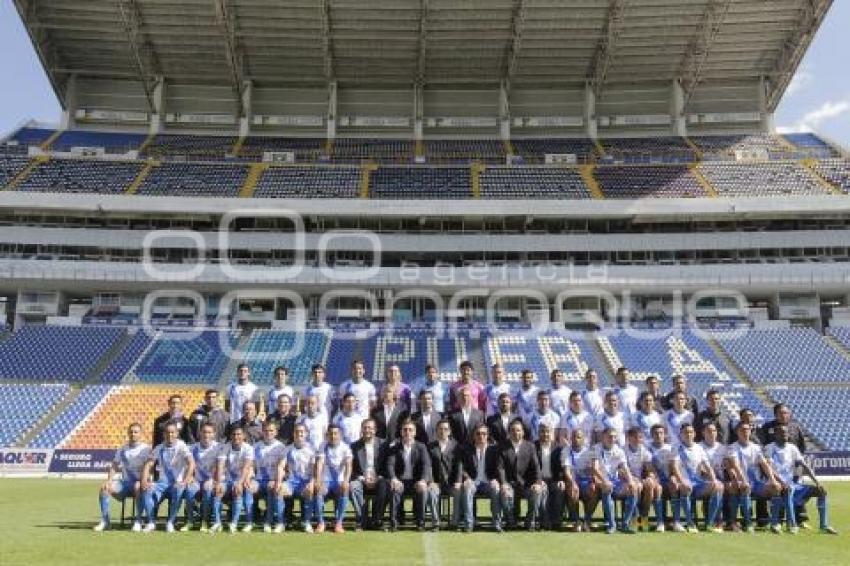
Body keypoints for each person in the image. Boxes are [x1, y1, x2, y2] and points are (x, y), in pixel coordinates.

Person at [764, 424, 837, 535]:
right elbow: (768, 468)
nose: (785, 434)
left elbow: (804, 465)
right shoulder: (770, 448)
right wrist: (782, 482)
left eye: (786, 432)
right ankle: (792, 525)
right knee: (788, 490)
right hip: (775, 483)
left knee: (821, 491)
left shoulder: (792, 447)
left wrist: (817, 482)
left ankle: (824, 525)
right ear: (775, 434)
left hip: (792, 483)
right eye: (782, 432)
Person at [93, 423, 150, 532]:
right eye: (131, 431)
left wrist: (146, 480)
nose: (133, 434)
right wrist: (109, 481)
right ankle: (105, 521)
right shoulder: (123, 449)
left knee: (138, 486)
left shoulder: (146, 449)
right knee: (104, 489)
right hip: (125, 483)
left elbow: (150, 467)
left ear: (141, 434)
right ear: (128, 433)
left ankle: (138, 521)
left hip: (139, 483)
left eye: (136, 432)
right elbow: (114, 465)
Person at [140, 422, 195, 533]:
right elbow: (148, 464)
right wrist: (144, 481)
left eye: (172, 432)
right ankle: (151, 522)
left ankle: (170, 522)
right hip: (162, 483)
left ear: (177, 433)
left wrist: (185, 481)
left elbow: (191, 463)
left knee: (179, 489)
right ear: (164, 434)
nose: (170, 435)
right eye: (167, 432)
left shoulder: (182, 445)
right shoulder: (159, 447)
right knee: (147, 489)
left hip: (177, 482)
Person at [729, 421, 779, 532]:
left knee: (775, 488)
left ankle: (775, 523)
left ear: (751, 431)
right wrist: (743, 480)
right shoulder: (733, 447)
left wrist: (773, 479)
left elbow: (764, 464)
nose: (745, 432)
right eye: (742, 430)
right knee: (745, 488)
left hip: (757, 483)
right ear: (737, 432)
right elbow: (735, 466)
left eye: (747, 429)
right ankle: (748, 523)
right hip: (742, 481)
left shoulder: (756, 447)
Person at [676, 423, 724, 533]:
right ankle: (690, 523)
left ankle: (709, 524)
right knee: (687, 486)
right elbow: (674, 467)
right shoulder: (676, 448)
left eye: (691, 432)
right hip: (684, 482)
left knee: (718, 487)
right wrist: (681, 480)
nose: (688, 434)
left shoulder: (699, 448)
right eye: (686, 432)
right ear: (681, 435)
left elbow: (707, 466)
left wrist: (713, 479)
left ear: (695, 434)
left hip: (698, 484)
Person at [386, 419, 432, 531]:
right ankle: (394, 522)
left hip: (416, 481)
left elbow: (426, 465)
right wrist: (394, 479)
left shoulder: (421, 447)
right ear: (401, 432)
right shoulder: (395, 447)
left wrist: (423, 480)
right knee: (394, 489)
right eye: (405, 430)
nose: (407, 432)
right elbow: (390, 465)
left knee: (423, 490)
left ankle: (420, 522)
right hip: (400, 481)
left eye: (410, 430)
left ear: (415, 433)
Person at [498, 418, 543, 531]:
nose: (516, 433)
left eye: (518, 430)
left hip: (527, 484)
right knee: (504, 493)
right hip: (510, 483)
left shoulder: (530, 446)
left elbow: (536, 466)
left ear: (523, 432)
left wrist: (537, 483)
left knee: (536, 492)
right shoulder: (503, 447)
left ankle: (529, 521)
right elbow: (500, 468)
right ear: (509, 433)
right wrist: (503, 483)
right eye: (513, 430)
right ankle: (511, 522)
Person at [592, 427, 638, 534]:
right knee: (607, 487)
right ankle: (612, 525)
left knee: (633, 488)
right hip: (600, 480)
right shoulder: (596, 448)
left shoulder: (619, 450)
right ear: (603, 437)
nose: (612, 439)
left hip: (615, 481)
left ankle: (626, 524)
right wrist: (605, 480)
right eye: (609, 436)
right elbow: (595, 468)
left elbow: (624, 467)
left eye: (614, 437)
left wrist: (630, 481)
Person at [459, 423, 503, 532]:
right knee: (468, 488)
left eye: (484, 434)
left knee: (496, 489)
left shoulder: (494, 450)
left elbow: (499, 467)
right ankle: (469, 524)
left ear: (487, 435)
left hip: (489, 482)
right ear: (474, 436)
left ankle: (496, 523)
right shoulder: (467, 449)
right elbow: (461, 467)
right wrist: (467, 478)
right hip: (473, 481)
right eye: (478, 434)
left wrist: (496, 480)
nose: (481, 436)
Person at [212, 425, 254, 534]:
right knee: (218, 492)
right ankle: (217, 523)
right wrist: (219, 482)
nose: (236, 437)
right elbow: (220, 466)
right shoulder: (225, 447)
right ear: (230, 436)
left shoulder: (248, 448)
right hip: (228, 479)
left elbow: (246, 467)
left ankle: (235, 523)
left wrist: (240, 482)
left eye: (239, 434)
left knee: (240, 491)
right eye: (234, 434)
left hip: (243, 478)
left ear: (244, 436)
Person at [350, 418, 389, 530]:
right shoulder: (354, 446)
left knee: (385, 485)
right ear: (361, 429)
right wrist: (362, 478)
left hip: (379, 479)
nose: (368, 430)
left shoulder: (384, 444)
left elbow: (388, 464)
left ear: (375, 430)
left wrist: (378, 477)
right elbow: (351, 468)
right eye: (365, 428)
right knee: (353, 486)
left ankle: (377, 520)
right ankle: (362, 520)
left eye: (370, 428)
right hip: (361, 479)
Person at [701, 421, 741, 531]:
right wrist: (710, 476)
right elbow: (699, 467)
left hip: (721, 479)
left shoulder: (722, 448)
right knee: (718, 486)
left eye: (714, 430)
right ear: (703, 432)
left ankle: (731, 522)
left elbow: (728, 464)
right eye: (708, 431)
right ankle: (718, 522)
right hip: (703, 480)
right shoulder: (699, 447)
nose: (711, 433)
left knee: (732, 486)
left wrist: (733, 474)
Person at [280, 424, 319, 533]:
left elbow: (315, 469)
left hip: (306, 481)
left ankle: (306, 522)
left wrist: (312, 482)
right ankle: (281, 522)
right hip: (291, 482)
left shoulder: (312, 450)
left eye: (302, 432)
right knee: (280, 490)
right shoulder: (288, 449)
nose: (299, 434)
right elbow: (281, 466)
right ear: (293, 434)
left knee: (310, 491)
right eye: (297, 432)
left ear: (306, 434)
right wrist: (279, 482)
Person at [315, 424, 353, 534]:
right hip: (326, 481)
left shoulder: (345, 447)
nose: (333, 436)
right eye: (331, 433)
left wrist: (346, 481)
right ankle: (321, 522)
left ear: (340, 435)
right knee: (318, 489)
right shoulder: (323, 446)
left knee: (345, 488)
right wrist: (318, 480)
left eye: (335, 433)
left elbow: (349, 465)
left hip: (339, 481)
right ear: (327, 435)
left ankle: (339, 523)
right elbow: (319, 463)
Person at [181, 423, 219, 532]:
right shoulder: (192, 448)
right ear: (199, 433)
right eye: (204, 432)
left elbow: (221, 467)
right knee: (189, 489)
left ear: (214, 434)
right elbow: (186, 465)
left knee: (208, 489)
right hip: (197, 480)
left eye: (209, 432)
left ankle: (205, 521)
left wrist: (213, 480)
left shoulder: (218, 447)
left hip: (212, 480)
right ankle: (190, 521)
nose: (206, 435)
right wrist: (190, 477)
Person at [251, 421, 287, 533]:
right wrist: (249, 478)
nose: (268, 433)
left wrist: (277, 481)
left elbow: (282, 467)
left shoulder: (281, 447)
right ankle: (249, 522)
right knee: (248, 487)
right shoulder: (256, 446)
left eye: (271, 430)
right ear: (262, 432)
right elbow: (251, 466)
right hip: (259, 480)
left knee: (273, 487)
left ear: (276, 432)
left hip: (273, 479)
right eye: (266, 431)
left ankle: (276, 522)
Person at [624, 426, 661, 532]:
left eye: (640, 437)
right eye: (635, 437)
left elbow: (650, 468)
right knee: (636, 487)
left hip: (639, 480)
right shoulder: (622, 450)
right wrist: (632, 478)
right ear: (628, 438)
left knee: (650, 485)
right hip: (625, 480)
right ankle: (634, 520)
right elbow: (621, 470)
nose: (638, 440)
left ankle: (644, 519)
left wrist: (650, 476)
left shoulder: (643, 450)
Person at [427, 419, 462, 530]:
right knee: (431, 491)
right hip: (436, 482)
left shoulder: (456, 446)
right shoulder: (430, 446)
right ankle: (436, 522)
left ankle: (454, 522)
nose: (443, 431)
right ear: (436, 431)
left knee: (458, 491)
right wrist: (431, 481)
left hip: (451, 483)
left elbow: (459, 465)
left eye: (445, 429)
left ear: (449, 431)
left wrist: (458, 481)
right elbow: (428, 466)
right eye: (440, 429)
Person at [647, 424, 680, 532]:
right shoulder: (647, 448)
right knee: (658, 488)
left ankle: (676, 522)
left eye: (661, 433)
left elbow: (675, 466)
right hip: (655, 480)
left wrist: (674, 477)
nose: (658, 435)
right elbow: (646, 467)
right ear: (651, 435)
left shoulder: (670, 448)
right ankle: (660, 522)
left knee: (674, 484)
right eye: (656, 433)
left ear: (665, 434)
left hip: (668, 478)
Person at [535, 423, 564, 530]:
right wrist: (538, 480)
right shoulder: (533, 446)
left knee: (559, 489)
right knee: (542, 491)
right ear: (538, 433)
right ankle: (545, 522)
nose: (545, 434)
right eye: (542, 431)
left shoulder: (558, 448)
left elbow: (562, 466)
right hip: (539, 480)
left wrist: (561, 480)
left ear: (552, 433)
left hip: (554, 479)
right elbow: (532, 467)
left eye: (548, 431)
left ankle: (557, 522)